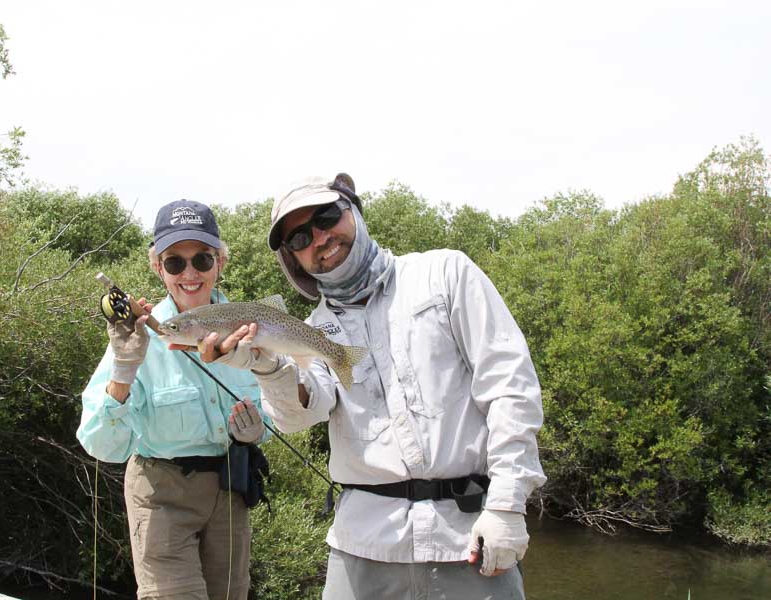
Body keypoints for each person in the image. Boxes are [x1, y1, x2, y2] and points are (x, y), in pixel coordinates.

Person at [202, 174, 546, 599]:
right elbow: (298, 416)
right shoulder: (311, 331)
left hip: (469, 537)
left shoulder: (446, 273)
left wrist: (507, 504)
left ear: (354, 210)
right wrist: (266, 365)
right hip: (361, 548)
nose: (320, 238)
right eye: (300, 238)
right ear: (292, 258)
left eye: (327, 217)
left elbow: (510, 387)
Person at [77, 199, 270, 600]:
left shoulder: (252, 328)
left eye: (202, 259)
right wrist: (124, 369)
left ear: (220, 262)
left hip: (230, 489)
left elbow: (282, 410)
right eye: (175, 262)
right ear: (157, 268)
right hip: (161, 494)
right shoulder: (136, 338)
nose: (190, 274)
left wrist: (258, 432)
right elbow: (102, 445)